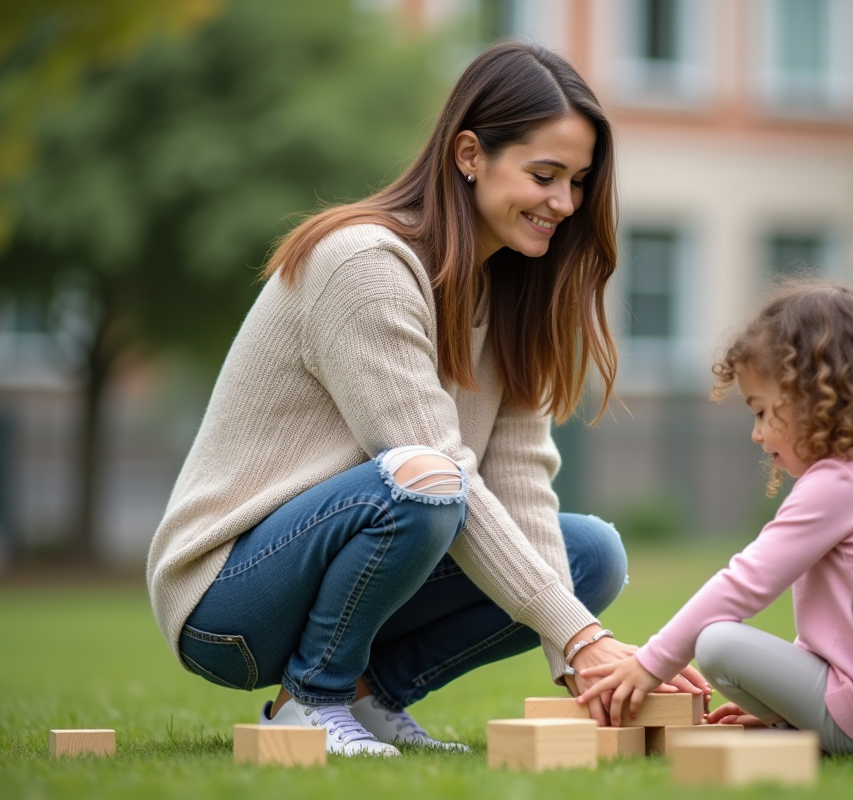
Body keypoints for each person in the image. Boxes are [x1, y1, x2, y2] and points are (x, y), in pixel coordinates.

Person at [146, 41, 703, 758]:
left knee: (591, 554)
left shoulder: (513, 296)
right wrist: (582, 634)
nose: (564, 204)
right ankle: (308, 701)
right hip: (229, 601)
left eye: (578, 182)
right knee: (427, 481)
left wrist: (578, 658)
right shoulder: (364, 266)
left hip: (376, 533)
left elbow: (520, 485)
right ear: (470, 154)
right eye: (545, 175)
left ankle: (367, 697)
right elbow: (438, 474)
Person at [576, 283, 853, 756]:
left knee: (717, 641)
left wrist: (650, 664)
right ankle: (800, 729)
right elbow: (848, 633)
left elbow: (744, 582)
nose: (757, 435)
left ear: (817, 396)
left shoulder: (837, 482)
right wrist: (782, 702)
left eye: (761, 411)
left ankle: (820, 737)